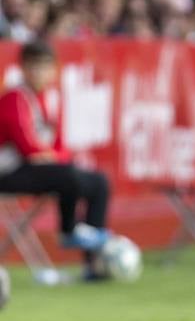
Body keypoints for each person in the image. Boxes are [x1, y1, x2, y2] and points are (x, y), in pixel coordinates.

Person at [0, 40, 112, 278]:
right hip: (9, 172)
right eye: (34, 66)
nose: (39, 72)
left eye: (44, 66)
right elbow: (27, 148)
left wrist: (53, 156)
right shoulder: (14, 98)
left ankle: (93, 265)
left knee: (99, 182)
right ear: (23, 68)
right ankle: (68, 230)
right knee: (66, 174)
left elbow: (60, 146)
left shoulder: (51, 99)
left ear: (54, 70)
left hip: (40, 169)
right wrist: (53, 156)